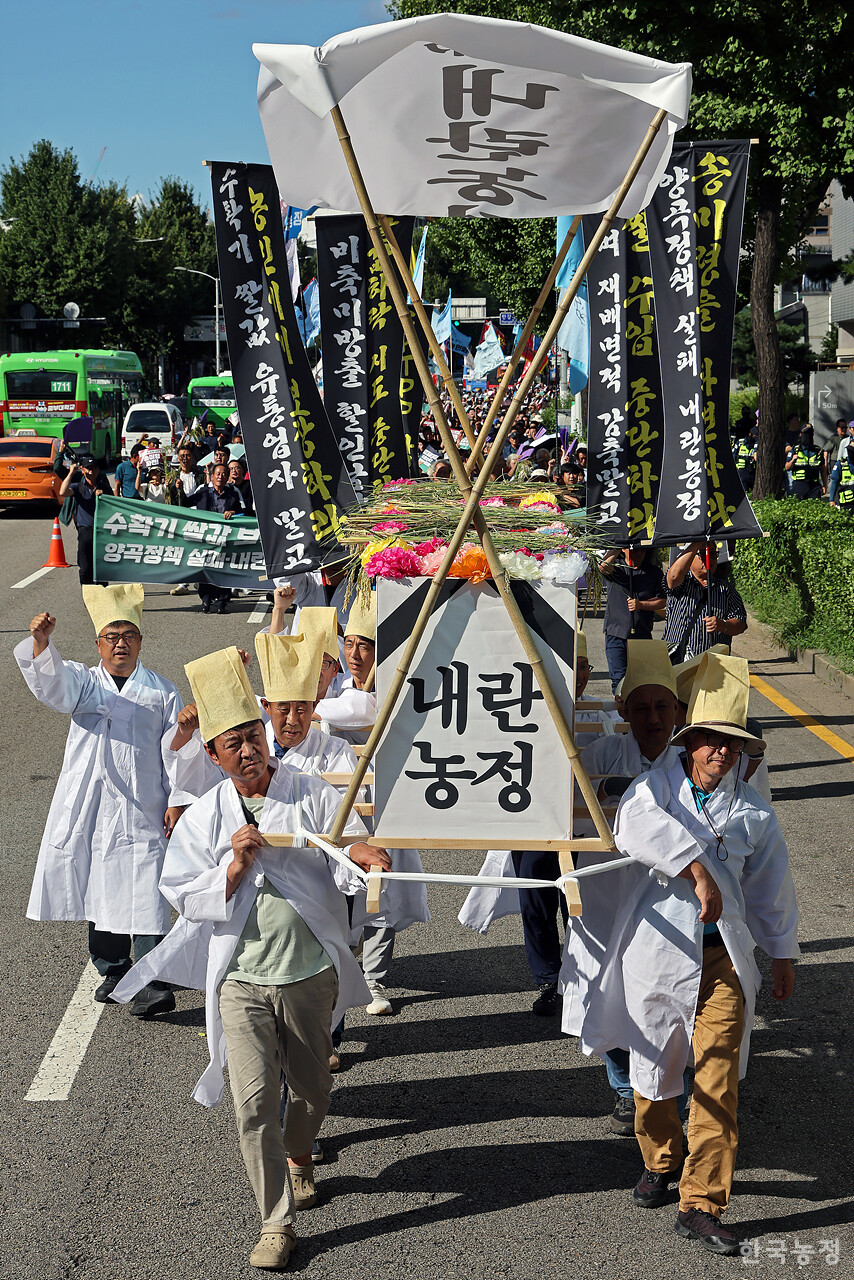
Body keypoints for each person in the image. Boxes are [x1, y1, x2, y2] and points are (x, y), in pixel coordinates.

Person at [148, 647, 389, 1270]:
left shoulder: (309, 793)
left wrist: (361, 856)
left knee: (310, 1088)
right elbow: (180, 891)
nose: (250, 749)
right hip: (240, 980)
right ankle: (274, 1223)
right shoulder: (206, 818)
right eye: (235, 743)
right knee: (254, 1103)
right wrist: (231, 869)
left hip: (308, 972)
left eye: (254, 736)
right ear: (214, 757)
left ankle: (302, 1153)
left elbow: (344, 855)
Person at [579, 653, 798, 1256]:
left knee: (718, 1079)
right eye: (710, 742)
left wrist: (781, 953)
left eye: (732, 744)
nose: (721, 754)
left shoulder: (752, 809)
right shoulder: (655, 789)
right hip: (657, 952)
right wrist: (696, 868)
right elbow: (633, 825)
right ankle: (661, 1157)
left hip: (723, 960)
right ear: (690, 740)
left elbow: (770, 886)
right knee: (654, 1068)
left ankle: (702, 1201)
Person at [14, 586, 184, 1017]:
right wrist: (41, 643)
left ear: (141, 641)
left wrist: (178, 798)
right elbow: (53, 684)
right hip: (92, 802)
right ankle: (113, 968)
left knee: (147, 885)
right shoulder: (85, 682)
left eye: (128, 634)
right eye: (112, 636)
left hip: (145, 804)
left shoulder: (161, 692)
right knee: (99, 883)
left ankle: (150, 981)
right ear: (99, 644)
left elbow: (177, 750)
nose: (120, 643)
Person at [560, 640, 686, 1136]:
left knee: (666, 991)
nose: (653, 718)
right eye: (641, 708)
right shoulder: (603, 754)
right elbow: (559, 803)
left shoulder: (691, 763)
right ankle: (622, 1087)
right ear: (623, 711)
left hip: (667, 899)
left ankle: (674, 1081)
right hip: (606, 893)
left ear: (677, 710)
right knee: (605, 986)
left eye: (662, 707)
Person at [663, 542, 747, 662]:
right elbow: (672, 578)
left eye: (713, 554)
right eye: (702, 553)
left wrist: (723, 625)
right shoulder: (683, 583)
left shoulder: (725, 589)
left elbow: (740, 623)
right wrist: (697, 542)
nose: (708, 558)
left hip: (713, 664)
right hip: (678, 661)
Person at [600, 547, 666, 693]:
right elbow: (603, 567)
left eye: (641, 550)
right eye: (633, 550)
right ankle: (622, 713)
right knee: (619, 681)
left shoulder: (654, 572)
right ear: (624, 550)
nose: (638, 554)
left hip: (642, 635)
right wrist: (619, 544)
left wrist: (641, 605)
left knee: (641, 681)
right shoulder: (616, 568)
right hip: (616, 634)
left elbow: (662, 601)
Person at [188, 463, 244, 613]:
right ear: (211, 476)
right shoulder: (203, 492)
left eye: (224, 474)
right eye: (218, 474)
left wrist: (233, 512)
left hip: (225, 539)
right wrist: (176, 489)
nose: (220, 477)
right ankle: (206, 600)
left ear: (227, 477)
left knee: (224, 569)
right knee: (205, 569)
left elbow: (245, 512)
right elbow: (184, 504)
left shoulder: (233, 493)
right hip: (205, 539)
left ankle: (221, 602)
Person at [57, 453, 113, 585]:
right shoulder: (78, 487)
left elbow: (113, 504)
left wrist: (104, 496)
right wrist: (70, 473)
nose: (91, 471)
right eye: (88, 468)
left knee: (100, 565)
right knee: (85, 565)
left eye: (94, 468)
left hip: (101, 531)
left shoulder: (103, 486)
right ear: (82, 469)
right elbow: (63, 492)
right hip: (85, 531)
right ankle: (88, 592)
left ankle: (102, 593)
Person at [785, 424, 825, 499]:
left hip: (814, 485)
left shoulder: (817, 451)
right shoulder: (795, 449)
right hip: (799, 484)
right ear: (801, 434)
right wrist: (793, 460)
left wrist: (824, 485)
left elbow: (823, 469)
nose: (807, 436)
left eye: (809, 434)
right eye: (805, 434)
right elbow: (787, 467)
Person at [827, 438, 854, 510]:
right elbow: (834, 482)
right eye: (849, 450)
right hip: (846, 503)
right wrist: (831, 500)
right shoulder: (841, 463)